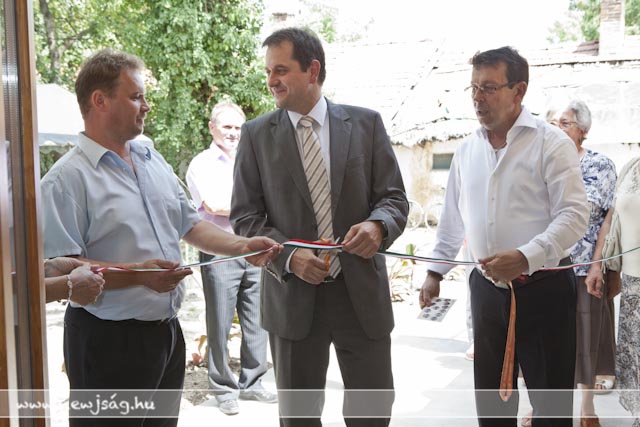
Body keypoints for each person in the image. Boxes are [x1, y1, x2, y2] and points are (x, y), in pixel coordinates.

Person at [40, 49, 280, 427]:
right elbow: (63, 268)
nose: (147, 106)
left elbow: (189, 224)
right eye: (136, 96)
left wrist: (242, 246)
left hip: (167, 334)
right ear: (99, 101)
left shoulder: (150, 157)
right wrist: (139, 276)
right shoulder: (65, 180)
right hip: (107, 341)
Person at [230, 27, 408, 426]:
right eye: (268, 72)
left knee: (372, 415)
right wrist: (290, 257)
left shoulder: (366, 124)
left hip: (361, 297)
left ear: (312, 70)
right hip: (293, 301)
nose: (271, 81)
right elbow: (245, 217)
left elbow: (394, 198)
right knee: (298, 418)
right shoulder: (256, 135)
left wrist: (378, 227)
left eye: (280, 70)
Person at [420, 46, 589, 427]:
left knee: (551, 406)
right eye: (474, 88)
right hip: (487, 292)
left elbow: (575, 215)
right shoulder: (466, 150)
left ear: (519, 91)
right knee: (492, 403)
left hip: (544, 289)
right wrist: (435, 272)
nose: (478, 97)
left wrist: (526, 256)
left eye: (490, 88)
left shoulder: (551, 143)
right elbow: (453, 219)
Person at [186, 101, 276, 415]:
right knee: (220, 322)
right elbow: (212, 204)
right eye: (227, 126)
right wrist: (255, 207)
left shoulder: (254, 159)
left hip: (254, 248)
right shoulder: (202, 163)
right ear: (212, 127)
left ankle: (253, 383)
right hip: (219, 251)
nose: (234, 133)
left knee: (257, 319)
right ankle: (223, 388)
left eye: (238, 127)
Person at [548, 100, 616, 427]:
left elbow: (607, 219)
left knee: (586, 338)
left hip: (584, 264)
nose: (556, 129)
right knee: (549, 338)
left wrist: (597, 264)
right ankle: (545, 406)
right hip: (547, 265)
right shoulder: (542, 163)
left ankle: (587, 409)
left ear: (583, 131)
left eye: (564, 123)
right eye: (552, 123)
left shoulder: (600, 166)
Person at [586, 155, 640, 426]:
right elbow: (614, 219)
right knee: (636, 357)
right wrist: (608, 267)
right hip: (633, 282)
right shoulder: (632, 166)